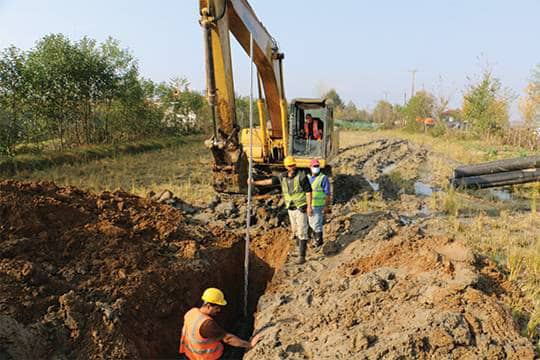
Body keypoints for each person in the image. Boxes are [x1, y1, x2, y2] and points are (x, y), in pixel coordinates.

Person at [251, 156, 313, 264]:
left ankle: (301, 256)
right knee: (295, 230)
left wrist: (309, 206)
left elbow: (308, 192)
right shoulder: (282, 177)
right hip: (290, 207)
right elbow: (268, 182)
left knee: (302, 230)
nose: (292, 167)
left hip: (301, 207)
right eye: (290, 166)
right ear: (286, 166)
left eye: (293, 165)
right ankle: (299, 249)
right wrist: (254, 183)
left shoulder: (302, 176)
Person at [179, 288, 260, 359]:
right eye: (216, 308)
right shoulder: (207, 325)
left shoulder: (191, 312)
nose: (219, 310)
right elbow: (228, 339)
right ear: (208, 305)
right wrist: (249, 345)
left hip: (190, 356)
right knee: (237, 350)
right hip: (208, 358)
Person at [308, 159, 331, 247]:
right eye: (314, 166)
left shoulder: (323, 178)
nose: (316, 168)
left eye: (317, 166)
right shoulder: (308, 178)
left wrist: (326, 206)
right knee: (312, 223)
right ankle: (315, 240)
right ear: (310, 167)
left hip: (319, 205)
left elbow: (327, 193)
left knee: (317, 223)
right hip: (311, 205)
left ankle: (319, 242)